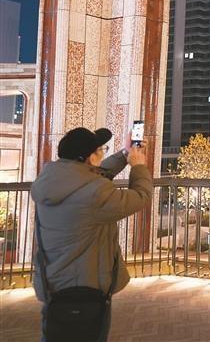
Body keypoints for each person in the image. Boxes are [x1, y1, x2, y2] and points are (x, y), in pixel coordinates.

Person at [31, 127, 153, 342]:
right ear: (89, 157)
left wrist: (125, 154)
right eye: (101, 150)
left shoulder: (52, 179)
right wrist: (138, 166)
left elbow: (94, 175)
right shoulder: (94, 194)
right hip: (84, 286)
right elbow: (141, 196)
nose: (103, 153)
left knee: (55, 333)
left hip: (54, 281)